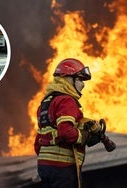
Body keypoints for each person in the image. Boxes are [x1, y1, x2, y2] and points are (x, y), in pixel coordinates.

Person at [34, 58, 116, 188]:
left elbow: (39, 141)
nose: (83, 84)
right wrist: (85, 136)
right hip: (63, 168)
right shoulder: (66, 101)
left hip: (44, 167)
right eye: (79, 79)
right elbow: (66, 133)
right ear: (68, 79)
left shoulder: (45, 103)